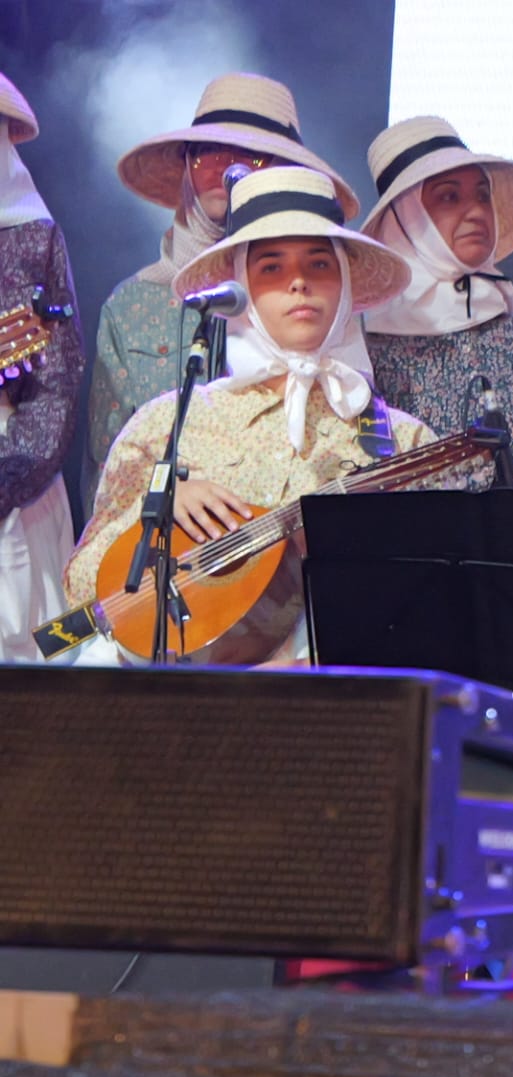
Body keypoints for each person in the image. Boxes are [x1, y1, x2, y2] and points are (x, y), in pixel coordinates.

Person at [61, 168, 433, 663]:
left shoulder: (400, 440)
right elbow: (80, 593)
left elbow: (433, 594)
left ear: (343, 283)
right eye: (271, 268)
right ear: (241, 286)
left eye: (319, 264)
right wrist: (152, 520)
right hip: (179, 689)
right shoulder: (168, 422)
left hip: (336, 698)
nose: (298, 283)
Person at [86, 73, 359, 496]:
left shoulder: (326, 297)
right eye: (206, 156)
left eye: (250, 157)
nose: (225, 171)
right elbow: (107, 468)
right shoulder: (131, 306)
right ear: (185, 167)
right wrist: (159, 506)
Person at [361, 116, 513, 495]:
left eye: (482, 194)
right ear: (406, 217)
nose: (477, 211)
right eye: (449, 196)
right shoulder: (359, 364)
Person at [0, 72, 85, 662]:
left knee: (36, 658)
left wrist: (8, 479)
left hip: (16, 483)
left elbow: (56, 382)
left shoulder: (34, 238)